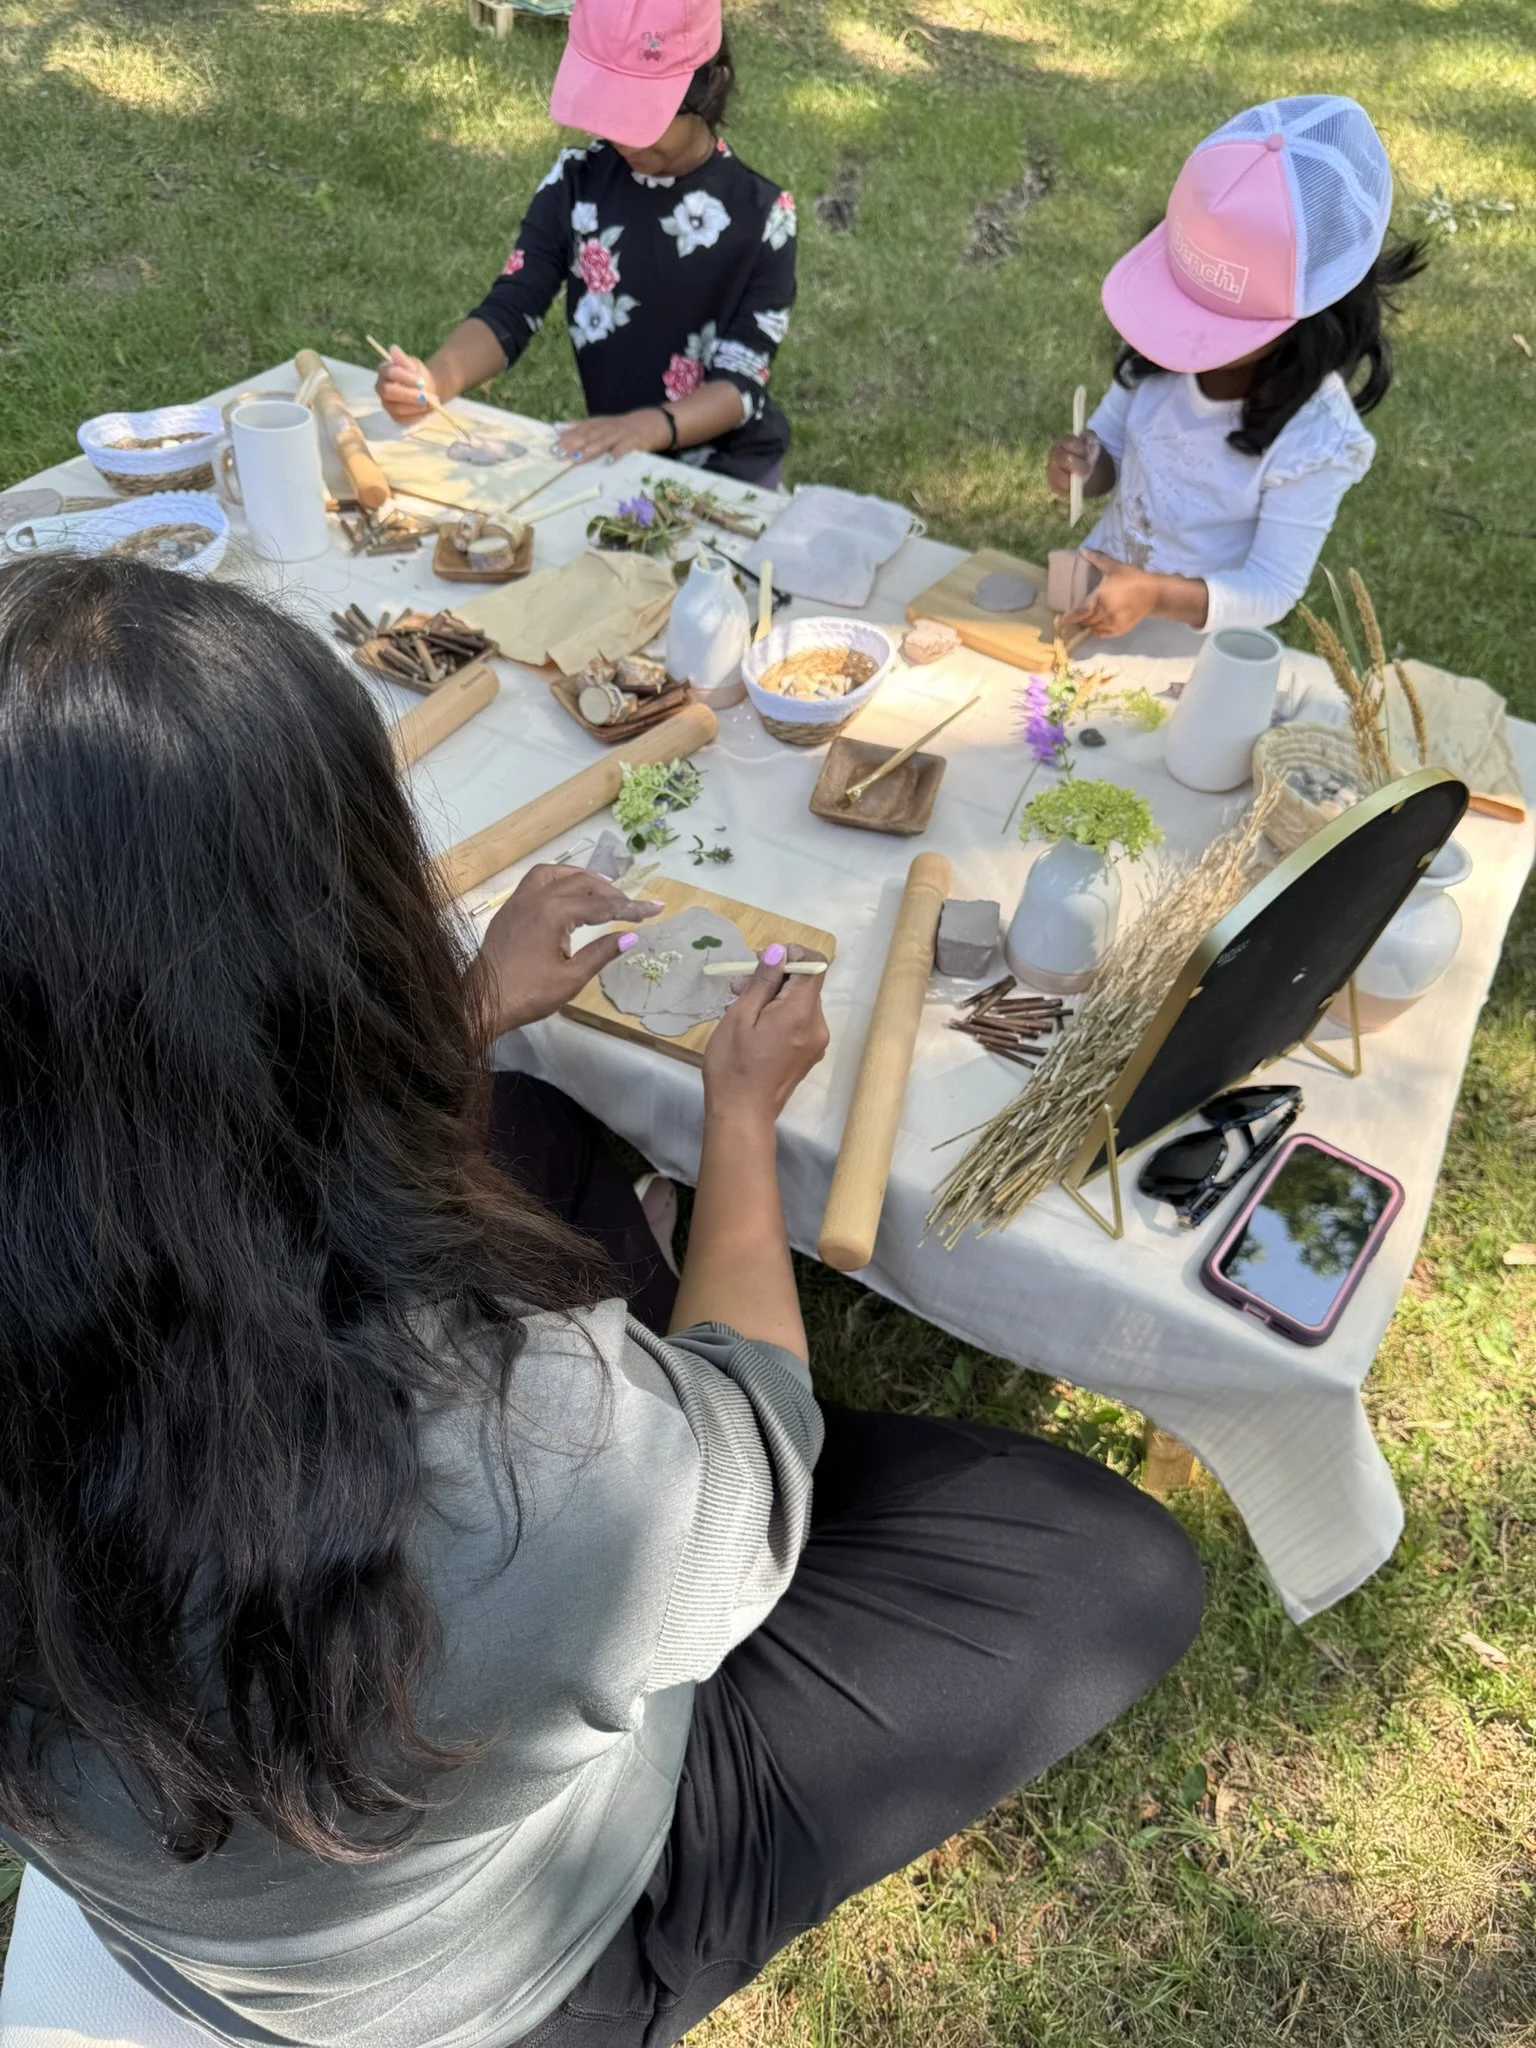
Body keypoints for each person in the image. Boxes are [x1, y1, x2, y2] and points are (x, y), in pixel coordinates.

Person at [0, 556, 1202, 2048]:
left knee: (535, 1134)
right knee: (1112, 1563)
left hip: (202, 1879)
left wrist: (468, 1027)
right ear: (339, 933)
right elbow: (763, 1430)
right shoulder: (523, 1444)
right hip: (505, 1964)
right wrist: (744, 1121)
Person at [1045, 95, 1427, 639]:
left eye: (1211, 323)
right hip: (1097, 602)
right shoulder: (1160, 358)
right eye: (1179, 306)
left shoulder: (1316, 439)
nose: (1180, 335)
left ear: (1307, 321)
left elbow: (1271, 586)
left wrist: (1154, 595)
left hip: (1192, 646)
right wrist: (1084, 467)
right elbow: (1110, 449)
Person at [375, 0, 796, 484]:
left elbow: (742, 380)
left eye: (646, 115)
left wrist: (652, 426)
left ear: (712, 85)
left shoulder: (764, 215)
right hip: (618, 455)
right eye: (613, 112)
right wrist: (434, 379)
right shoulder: (576, 185)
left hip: (730, 474)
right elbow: (512, 309)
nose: (629, 140)